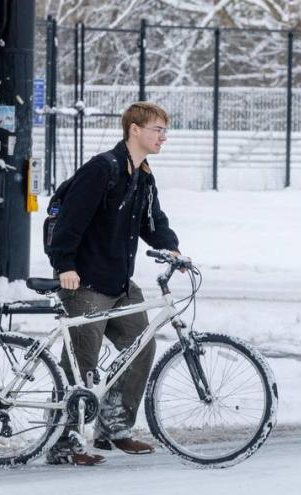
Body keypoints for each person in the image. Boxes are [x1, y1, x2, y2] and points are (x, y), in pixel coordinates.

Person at [45, 102, 181, 466]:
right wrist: (65, 265)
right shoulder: (102, 169)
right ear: (134, 130)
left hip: (119, 282)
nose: (162, 137)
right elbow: (69, 220)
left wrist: (172, 248)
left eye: (165, 131)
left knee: (141, 346)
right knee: (81, 365)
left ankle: (114, 428)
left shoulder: (142, 175)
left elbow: (153, 222)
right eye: (157, 130)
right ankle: (63, 443)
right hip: (86, 281)